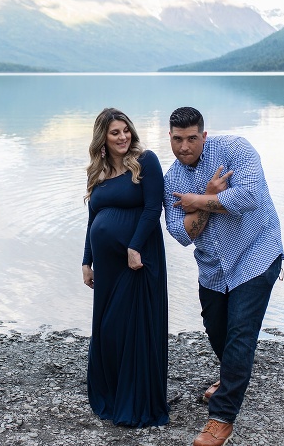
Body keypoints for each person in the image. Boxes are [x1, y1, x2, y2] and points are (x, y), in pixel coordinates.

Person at [163, 107, 284, 446]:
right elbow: (181, 234)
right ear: (169, 138)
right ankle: (232, 374)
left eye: (191, 139)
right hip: (213, 268)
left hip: (256, 254)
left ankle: (221, 418)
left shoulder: (235, 149)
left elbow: (248, 197)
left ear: (203, 135)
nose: (184, 147)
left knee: (240, 333)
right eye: (177, 139)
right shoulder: (171, 179)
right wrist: (210, 197)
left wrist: (197, 200)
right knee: (217, 329)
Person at [82, 107, 170, 427]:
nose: (123, 137)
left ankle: (136, 399)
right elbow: (93, 220)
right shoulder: (98, 172)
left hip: (138, 259)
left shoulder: (146, 162)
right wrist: (86, 260)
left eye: (125, 130)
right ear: (102, 138)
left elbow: (152, 208)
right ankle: (114, 390)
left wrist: (134, 246)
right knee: (108, 328)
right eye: (114, 132)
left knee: (132, 325)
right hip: (107, 264)